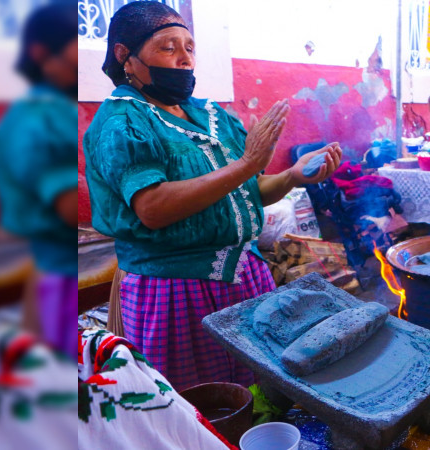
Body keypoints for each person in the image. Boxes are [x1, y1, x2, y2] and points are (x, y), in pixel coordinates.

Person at [83, 2, 342, 391]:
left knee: (259, 393)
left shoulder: (209, 115)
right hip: (176, 292)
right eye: (168, 47)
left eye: (189, 47)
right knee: (204, 405)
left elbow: (247, 192)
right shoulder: (123, 120)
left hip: (246, 277)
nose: (184, 58)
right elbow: (152, 208)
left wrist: (291, 175)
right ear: (126, 57)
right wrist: (246, 163)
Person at [0, 4, 78, 358]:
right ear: (42, 53)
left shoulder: (52, 107)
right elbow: (71, 208)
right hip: (57, 277)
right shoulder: (37, 118)